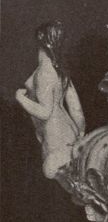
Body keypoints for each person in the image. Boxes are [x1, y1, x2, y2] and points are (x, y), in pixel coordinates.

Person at [16, 21, 85, 179]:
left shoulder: (44, 72)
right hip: (69, 134)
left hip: (55, 137)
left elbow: (45, 113)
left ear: (40, 37)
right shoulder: (59, 71)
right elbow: (76, 109)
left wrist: (19, 98)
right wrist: (80, 135)